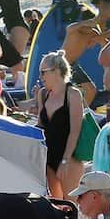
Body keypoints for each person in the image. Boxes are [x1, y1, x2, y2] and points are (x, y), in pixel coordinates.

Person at [37, 50, 85, 199]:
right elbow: (40, 125)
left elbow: (75, 131)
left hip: (69, 158)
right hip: (48, 158)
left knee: (72, 203)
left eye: (43, 72)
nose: (40, 77)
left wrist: (65, 160)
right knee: (57, 205)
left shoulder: (73, 94)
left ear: (56, 71)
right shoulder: (43, 94)